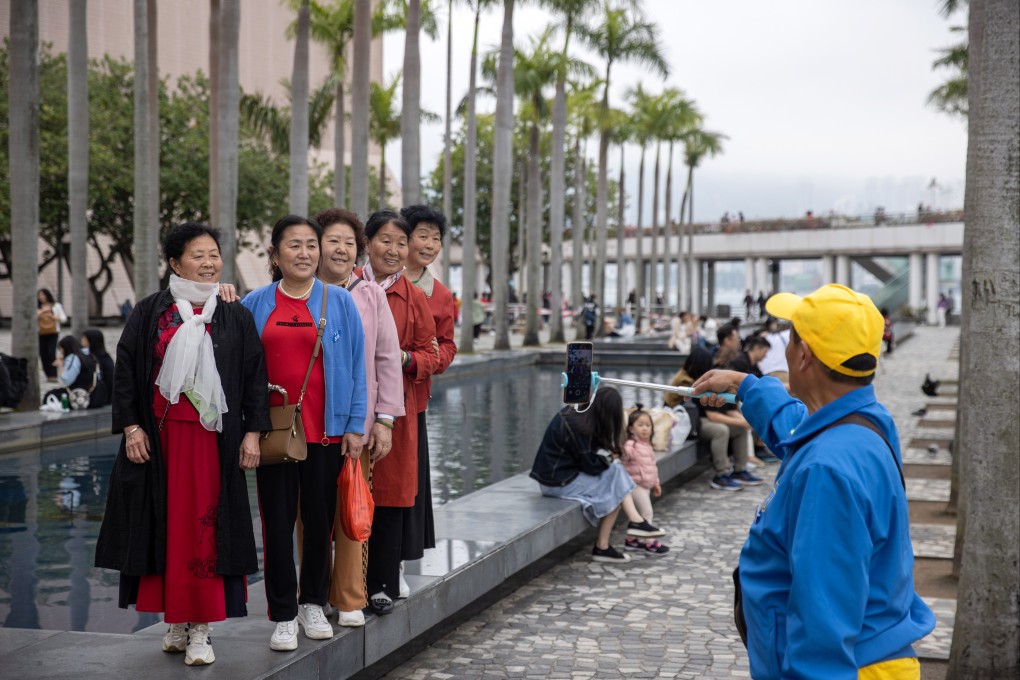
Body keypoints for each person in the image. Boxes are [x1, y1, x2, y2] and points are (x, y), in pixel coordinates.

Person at [691, 283, 936, 679]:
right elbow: (800, 431)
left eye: (789, 342)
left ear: (802, 355)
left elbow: (823, 624)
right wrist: (746, 386)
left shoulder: (826, 471)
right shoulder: (865, 424)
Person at [94, 222, 272, 667]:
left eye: (214, 254)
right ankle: (176, 621)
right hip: (160, 443)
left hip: (214, 445)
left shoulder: (233, 313)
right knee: (165, 529)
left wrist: (253, 432)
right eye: (198, 255)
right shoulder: (149, 312)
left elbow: (254, 377)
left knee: (205, 532)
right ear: (175, 263)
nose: (210, 262)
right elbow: (125, 372)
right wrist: (131, 428)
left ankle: (201, 630)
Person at [242, 215, 367, 651]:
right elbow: (242, 370)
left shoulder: (340, 302)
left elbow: (356, 367)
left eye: (311, 245)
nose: (305, 253)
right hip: (275, 435)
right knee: (276, 525)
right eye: (293, 245)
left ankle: (313, 601)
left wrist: (355, 425)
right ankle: (282, 615)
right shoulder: (254, 303)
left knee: (319, 524)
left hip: (327, 435)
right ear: (275, 255)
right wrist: (249, 431)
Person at [313, 207, 406, 628]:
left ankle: (349, 596)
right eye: (333, 241)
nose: (342, 249)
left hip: (358, 425)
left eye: (350, 243)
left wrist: (384, 419)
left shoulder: (368, 295)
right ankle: (310, 596)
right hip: (308, 426)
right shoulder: (295, 294)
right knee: (308, 516)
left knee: (353, 512)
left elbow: (387, 359)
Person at [358, 210, 442, 616]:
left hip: (398, 411)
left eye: (400, 243)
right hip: (351, 408)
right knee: (347, 492)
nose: (394, 250)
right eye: (385, 241)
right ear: (367, 242)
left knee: (389, 498)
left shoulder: (412, 296)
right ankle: (342, 584)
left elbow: (432, 352)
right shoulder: (347, 286)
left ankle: (382, 583)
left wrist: (406, 359)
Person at [530, 387, 665, 563]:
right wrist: (610, 458)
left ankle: (609, 542)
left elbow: (590, 459)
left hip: (565, 476)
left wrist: (611, 455)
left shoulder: (580, 415)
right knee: (615, 479)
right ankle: (628, 527)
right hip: (556, 482)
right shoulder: (576, 424)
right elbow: (590, 465)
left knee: (616, 482)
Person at [401, 205, 458, 578]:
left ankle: (398, 564)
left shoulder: (441, 295)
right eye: (423, 235)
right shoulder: (373, 282)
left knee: (410, 486)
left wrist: (428, 361)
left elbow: (448, 346)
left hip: (414, 400)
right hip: (370, 400)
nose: (431, 244)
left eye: (436, 238)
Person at [664, 348, 761, 491]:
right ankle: (721, 475)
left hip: (697, 420)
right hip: (687, 424)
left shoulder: (700, 380)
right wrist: (742, 421)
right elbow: (712, 415)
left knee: (739, 428)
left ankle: (740, 469)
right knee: (720, 430)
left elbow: (726, 411)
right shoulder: (687, 382)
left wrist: (744, 421)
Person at [620, 406, 669, 555]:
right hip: (635, 485)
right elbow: (623, 455)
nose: (645, 429)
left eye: (648, 425)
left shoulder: (647, 445)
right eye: (640, 425)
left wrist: (656, 482)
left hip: (646, 484)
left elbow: (652, 466)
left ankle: (631, 540)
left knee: (640, 514)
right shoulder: (630, 445)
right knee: (647, 513)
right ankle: (650, 542)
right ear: (631, 428)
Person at [42, 335, 96, 407]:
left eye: (61, 349)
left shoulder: (73, 358)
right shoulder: (87, 355)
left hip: (78, 394)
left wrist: (60, 366)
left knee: (49, 396)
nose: (60, 352)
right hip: (90, 392)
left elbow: (67, 380)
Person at [37, 288, 67, 383]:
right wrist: (41, 312)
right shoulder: (37, 307)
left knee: (51, 352)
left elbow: (63, 318)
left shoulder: (56, 306)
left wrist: (53, 317)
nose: (41, 297)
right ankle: (47, 374)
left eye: (43, 295)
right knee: (42, 353)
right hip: (40, 333)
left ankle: (53, 374)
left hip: (53, 332)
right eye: (39, 295)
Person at [81, 329, 115, 409]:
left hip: (100, 396)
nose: (82, 341)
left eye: (84, 339)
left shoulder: (96, 359)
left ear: (91, 341)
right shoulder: (106, 356)